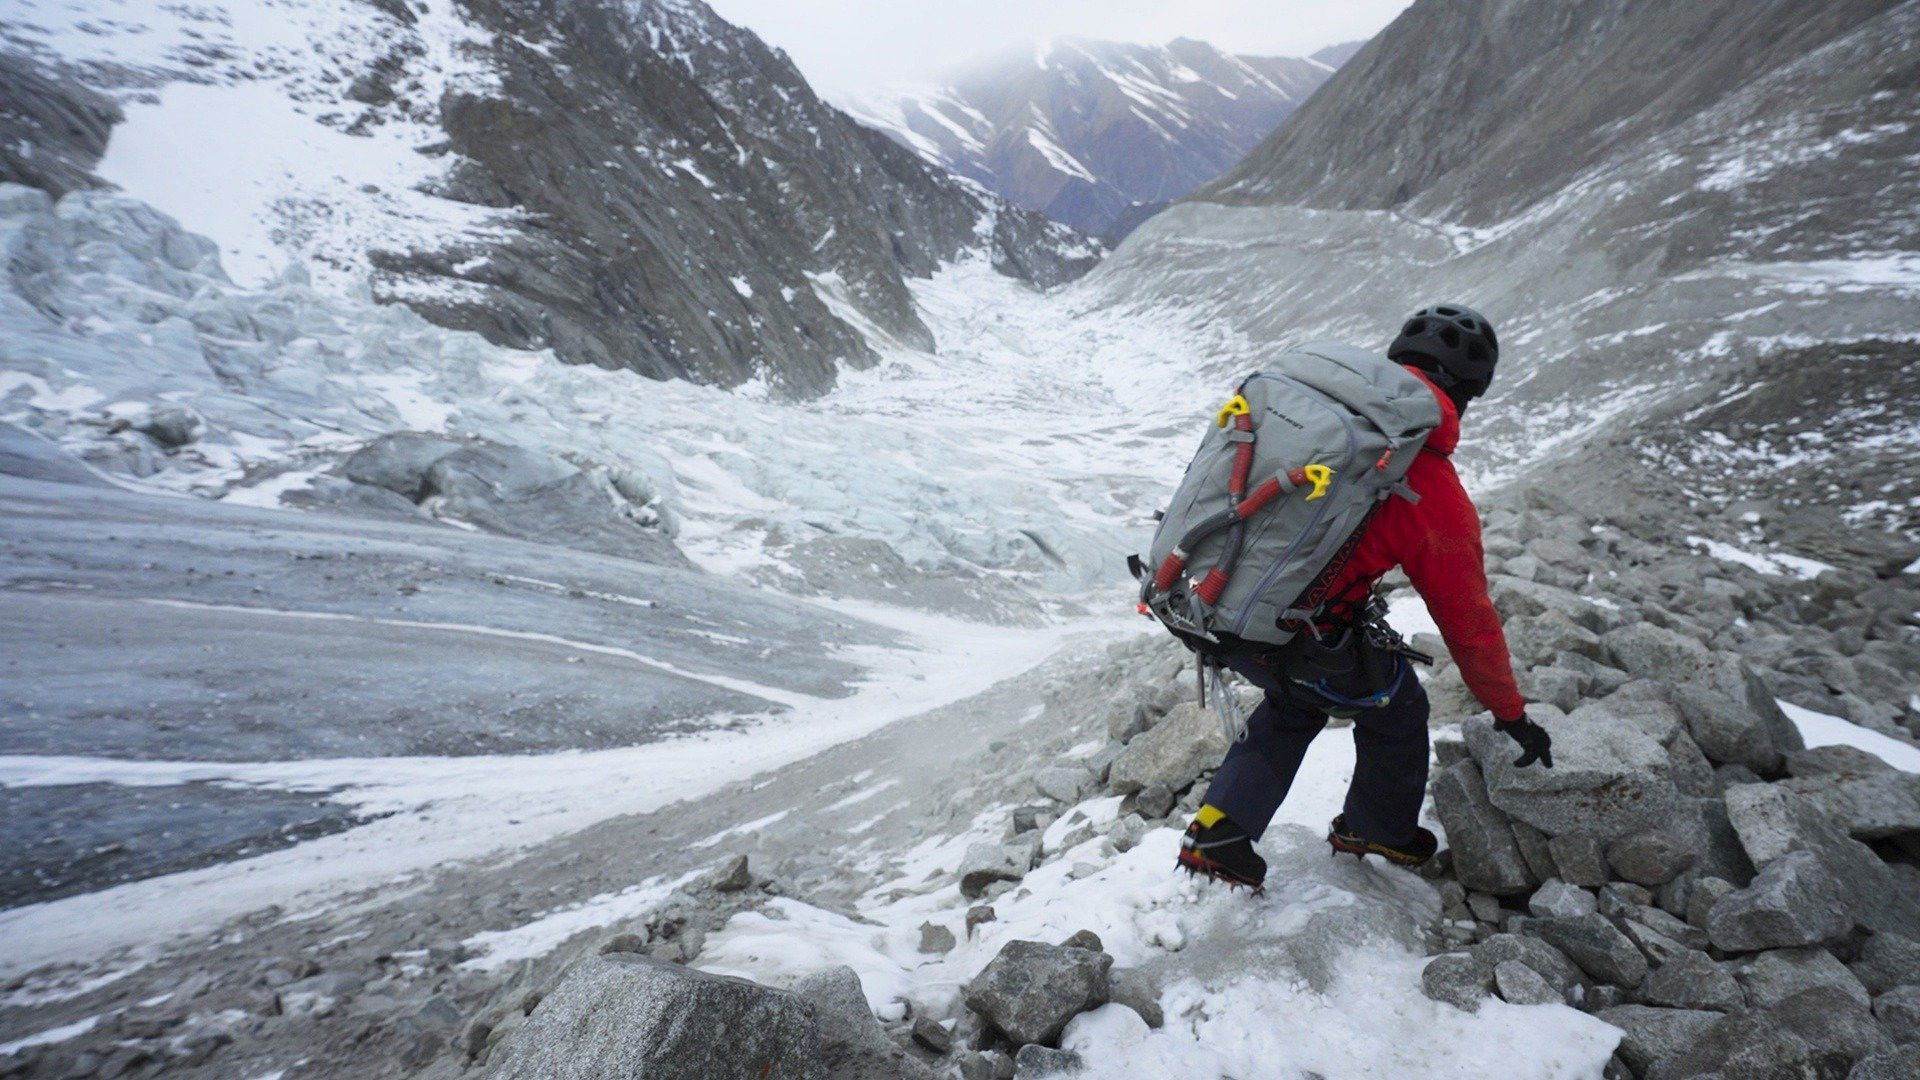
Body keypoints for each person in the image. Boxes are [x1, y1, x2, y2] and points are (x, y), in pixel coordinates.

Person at [1177, 304, 1554, 890]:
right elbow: (1469, 623)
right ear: (1469, 394)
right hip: (1288, 634)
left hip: (1205, 602)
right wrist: (1512, 714)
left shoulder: (1314, 420)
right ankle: (1376, 829)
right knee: (1396, 705)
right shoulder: (1428, 484)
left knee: (1295, 700)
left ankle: (1219, 830)